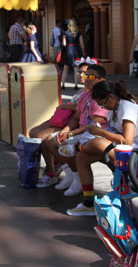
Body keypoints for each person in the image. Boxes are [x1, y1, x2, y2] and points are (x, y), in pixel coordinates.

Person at [58, 80, 138, 216]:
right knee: (82, 158)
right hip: (120, 149)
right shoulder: (114, 108)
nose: (103, 107)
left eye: (103, 103)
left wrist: (100, 133)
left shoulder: (127, 107)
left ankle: (77, 147)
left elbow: (127, 141)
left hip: (134, 153)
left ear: (111, 97)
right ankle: (88, 204)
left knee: (96, 143)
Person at [41, 64, 108, 197]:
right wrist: (65, 130)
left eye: (91, 76)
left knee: (72, 150)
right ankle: (72, 175)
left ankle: (78, 180)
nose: (86, 78)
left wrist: (71, 133)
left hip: (94, 134)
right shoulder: (85, 94)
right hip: (81, 132)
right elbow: (76, 118)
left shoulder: (101, 97)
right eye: (85, 75)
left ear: (101, 79)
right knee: (51, 141)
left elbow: (95, 125)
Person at [30, 59, 93, 189]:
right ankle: (56, 163)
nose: (81, 76)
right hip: (65, 118)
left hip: (73, 123)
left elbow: (82, 111)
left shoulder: (91, 92)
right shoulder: (82, 91)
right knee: (33, 132)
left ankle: (52, 171)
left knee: (43, 138)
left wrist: (67, 106)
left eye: (85, 73)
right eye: (80, 73)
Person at [60, 19, 79, 90]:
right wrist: (83, 52)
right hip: (76, 50)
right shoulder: (78, 33)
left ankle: (63, 84)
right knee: (76, 69)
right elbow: (82, 44)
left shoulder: (66, 33)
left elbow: (64, 44)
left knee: (65, 69)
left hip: (68, 50)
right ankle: (76, 85)